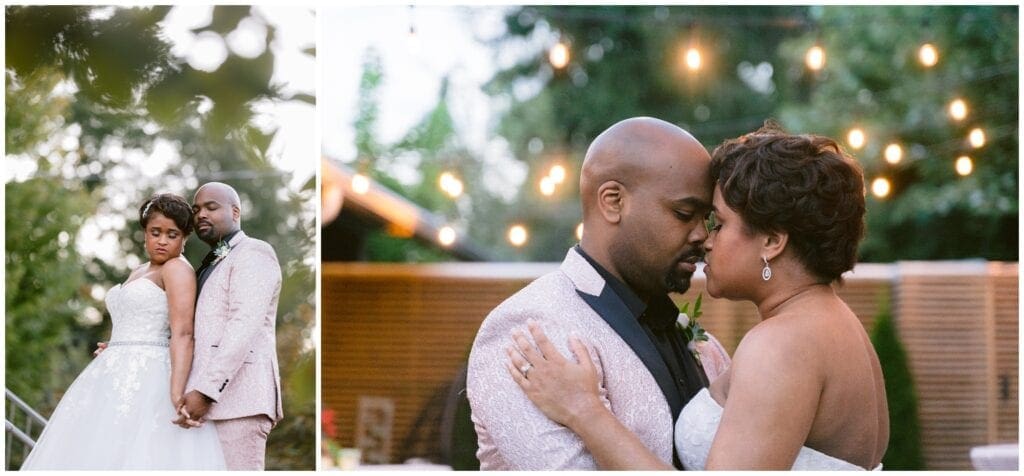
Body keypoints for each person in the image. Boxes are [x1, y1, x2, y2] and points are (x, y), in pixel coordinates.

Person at [506, 122, 889, 470]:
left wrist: (584, 411)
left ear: (772, 241)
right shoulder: (838, 328)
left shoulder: (782, 345)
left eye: (719, 224)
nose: (706, 240)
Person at [467, 117, 731, 470]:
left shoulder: (706, 347)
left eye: (707, 220)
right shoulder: (529, 328)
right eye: (684, 214)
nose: (702, 235)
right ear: (613, 201)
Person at [21, 194, 227, 470]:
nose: (163, 241)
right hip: (112, 373)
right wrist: (117, 345)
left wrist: (177, 394)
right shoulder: (140, 270)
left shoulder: (176, 269)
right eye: (156, 232)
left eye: (172, 234)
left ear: (184, 238)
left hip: (149, 377)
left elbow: (182, 333)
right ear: (144, 233)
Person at [174, 181, 284, 471]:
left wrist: (207, 390)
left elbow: (243, 325)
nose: (201, 215)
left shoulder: (254, 253)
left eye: (211, 207)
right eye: (196, 210)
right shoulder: (207, 264)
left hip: (239, 402)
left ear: (235, 212)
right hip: (202, 403)